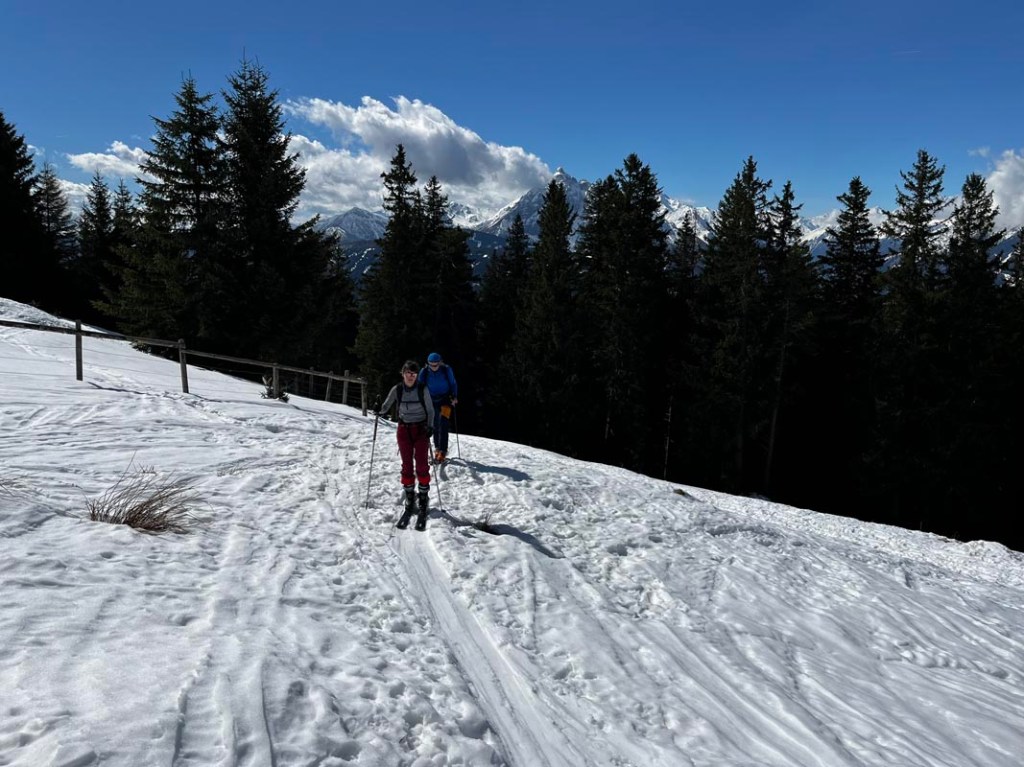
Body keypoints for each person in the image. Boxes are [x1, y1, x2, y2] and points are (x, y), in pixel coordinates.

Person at [378, 360, 435, 529]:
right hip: (403, 429)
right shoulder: (397, 389)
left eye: (414, 374)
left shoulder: (422, 389)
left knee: (422, 465)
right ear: (403, 373)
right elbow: (386, 406)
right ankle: (410, 498)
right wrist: (379, 409)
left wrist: (430, 426)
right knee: (407, 465)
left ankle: (423, 498)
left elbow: (430, 410)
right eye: (408, 373)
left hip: (421, 429)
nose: (411, 376)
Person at [418, 352, 458, 463]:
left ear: (440, 362)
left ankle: (443, 451)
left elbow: (453, 383)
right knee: (435, 424)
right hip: (431, 400)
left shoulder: (446, 369)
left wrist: (454, 396)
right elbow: (420, 386)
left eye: (436, 365)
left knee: (443, 423)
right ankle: (437, 448)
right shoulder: (424, 372)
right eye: (431, 365)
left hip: (446, 399)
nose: (434, 367)